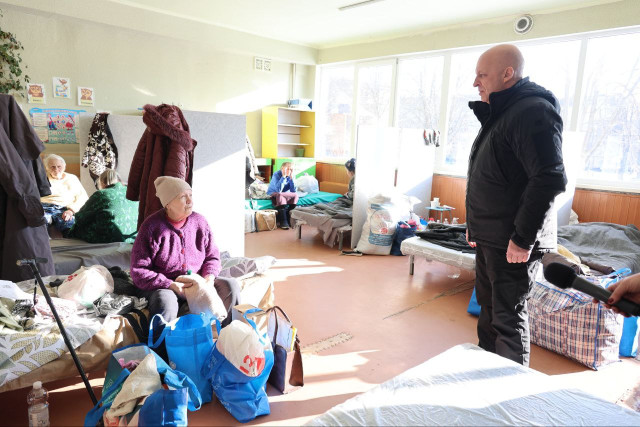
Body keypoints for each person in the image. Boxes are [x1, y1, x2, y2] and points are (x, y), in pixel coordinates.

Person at [465, 44, 567, 366]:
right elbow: (498, 177)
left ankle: (510, 391)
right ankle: (485, 375)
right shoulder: (502, 113)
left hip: (513, 242)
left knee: (507, 320)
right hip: (492, 237)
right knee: (488, 313)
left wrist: (523, 239)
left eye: (482, 75)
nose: (475, 82)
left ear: (507, 73)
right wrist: (475, 226)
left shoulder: (532, 111)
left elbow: (549, 178)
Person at [130, 176, 240, 326]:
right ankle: (162, 342)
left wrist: (208, 278)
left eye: (190, 195)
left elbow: (212, 257)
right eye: (183, 197)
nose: (189, 201)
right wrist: (170, 284)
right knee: (165, 300)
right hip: (166, 284)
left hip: (198, 281)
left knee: (231, 285)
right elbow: (138, 271)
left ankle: (228, 333)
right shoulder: (151, 227)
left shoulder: (200, 222)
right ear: (168, 204)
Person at [67, 169, 139, 243]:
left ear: (102, 182)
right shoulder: (131, 192)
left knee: (77, 227)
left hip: (110, 237)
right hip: (132, 236)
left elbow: (80, 217)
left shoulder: (101, 194)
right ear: (119, 181)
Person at [40, 154, 89, 235]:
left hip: (65, 208)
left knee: (69, 225)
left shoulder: (72, 178)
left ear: (64, 166)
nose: (56, 169)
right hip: (45, 207)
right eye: (52, 167)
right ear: (47, 168)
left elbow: (83, 198)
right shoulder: (42, 178)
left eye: (59, 166)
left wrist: (71, 211)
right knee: (39, 223)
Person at [267, 162, 298, 230]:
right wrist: (283, 177)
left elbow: (293, 190)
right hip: (274, 192)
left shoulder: (292, 175)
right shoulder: (276, 174)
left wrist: (292, 179)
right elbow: (278, 190)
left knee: (295, 195)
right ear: (282, 168)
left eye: (291, 169)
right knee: (280, 195)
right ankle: (283, 220)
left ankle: (289, 218)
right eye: (287, 169)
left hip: (284, 193)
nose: (289, 171)